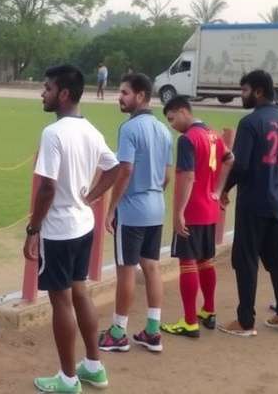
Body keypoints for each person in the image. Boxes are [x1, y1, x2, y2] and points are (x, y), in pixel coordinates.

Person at [24, 65, 120, 393]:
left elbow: (47, 188)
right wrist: (91, 198)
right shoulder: (91, 130)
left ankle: (67, 379)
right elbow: (113, 167)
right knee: (80, 292)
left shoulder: (53, 134)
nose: (43, 93)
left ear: (64, 94)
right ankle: (94, 366)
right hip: (83, 226)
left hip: (59, 230)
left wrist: (33, 229)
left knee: (61, 301)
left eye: (47, 88)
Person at [218, 69, 278, 336]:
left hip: (254, 201)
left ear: (258, 91)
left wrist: (224, 189)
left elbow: (241, 165)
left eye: (244, 90)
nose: (242, 96)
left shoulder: (250, 123)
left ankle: (245, 321)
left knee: (245, 259)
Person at [99, 73, 172, 354]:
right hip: (156, 207)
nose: (121, 97)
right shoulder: (164, 130)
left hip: (133, 211)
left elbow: (125, 170)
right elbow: (166, 176)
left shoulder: (129, 129)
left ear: (141, 96)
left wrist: (111, 208)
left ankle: (118, 331)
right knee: (152, 267)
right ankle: (153, 331)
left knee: (126, 270)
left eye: (125, 92)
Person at [160, 97, 234, 337]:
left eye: (172, 119)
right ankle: (208, 310)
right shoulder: (212, 134)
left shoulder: (187, 139)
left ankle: (189, 320)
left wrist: (179, 212)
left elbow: (188, 176)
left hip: (193, 209)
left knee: (188, 263)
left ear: (183, 111)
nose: (172, 125)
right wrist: (218, 190)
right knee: (205, 261)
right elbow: (229, 159)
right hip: (210, 209)